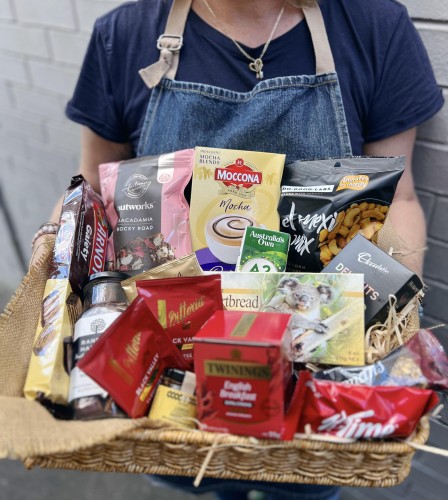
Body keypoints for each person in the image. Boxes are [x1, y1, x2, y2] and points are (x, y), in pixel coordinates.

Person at [31, 0, 443, 498]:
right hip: (172, 387)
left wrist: (387, 307)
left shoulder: (374, 26)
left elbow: (396, 197)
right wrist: (51, 269)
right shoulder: (124, 34)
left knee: (303, 488)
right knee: (203, 483)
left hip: (309, 411)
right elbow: (92, 186)